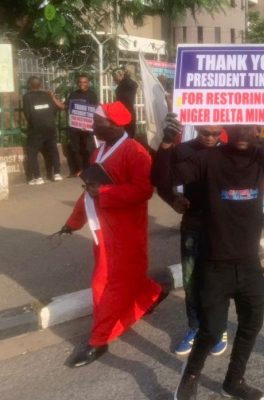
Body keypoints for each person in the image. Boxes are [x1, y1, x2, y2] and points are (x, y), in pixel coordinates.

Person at [152, 116, 264, 400]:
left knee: (252, 324)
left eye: (249, 127)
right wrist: (165, 143)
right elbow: (164, 178)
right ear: (228, 128)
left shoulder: (262, 157)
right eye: (238, 126)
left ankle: (233, 381)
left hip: (249, 264)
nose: (243, 132)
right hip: (214, 265)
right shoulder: (209, 159)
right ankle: (190, 378)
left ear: (258, 130)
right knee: (210, 332)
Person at [58, 101, 167, 368]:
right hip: (103, 231)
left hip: (126, 234)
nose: (92, 125)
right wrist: (73, 222)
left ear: (114, 124)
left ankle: (99, 339)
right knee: (125, 278)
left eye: (97, 122)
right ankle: (151, 293)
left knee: (106, 285)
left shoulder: (136, 152)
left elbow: (143, 190)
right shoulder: (99, 153)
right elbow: (88, 192)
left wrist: (105, 193)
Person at [151, 125, 230, 356]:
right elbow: (160, 181)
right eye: (206, 132)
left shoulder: (229, 152)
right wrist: (173, 199)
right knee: (191, 280)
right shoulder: (182, 151)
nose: (211, 138)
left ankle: (219, 328)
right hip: (193, 226)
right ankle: (194, 327)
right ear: (196, 128)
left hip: (221, 229)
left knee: (217, 282)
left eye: (216, 133)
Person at [22, 76, 65, 184]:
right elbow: (55, 110)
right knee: (53, 150)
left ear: (29, 85)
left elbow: (27, 114)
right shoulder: (48, 95)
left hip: (36, 128)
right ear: (40, 85)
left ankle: (37, 177)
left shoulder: (27, 96)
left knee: (32, 152)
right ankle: (57, 174)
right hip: (50, 126)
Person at [66, 73, 99, 177]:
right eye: (80, 82)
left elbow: (94, 110)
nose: (82, 84)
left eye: (84, 82)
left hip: (88, 128)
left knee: (89, 149)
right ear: (77, 83)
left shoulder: (92, 95)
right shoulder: (73, 95)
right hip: (75, 128)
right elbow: (66, 106)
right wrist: (53, 98)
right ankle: (80, 169)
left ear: (88, 83)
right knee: (76, 149)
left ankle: (90, 169)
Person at [113, 68, 138, 138]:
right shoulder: (120, 86)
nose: (114, 79)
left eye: (115, 76)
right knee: (121, 136)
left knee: (129, 136)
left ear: (121, 75)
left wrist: (126, 76)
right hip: (120, 113)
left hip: (128, 113)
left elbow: (135, 85)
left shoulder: (129, 84)